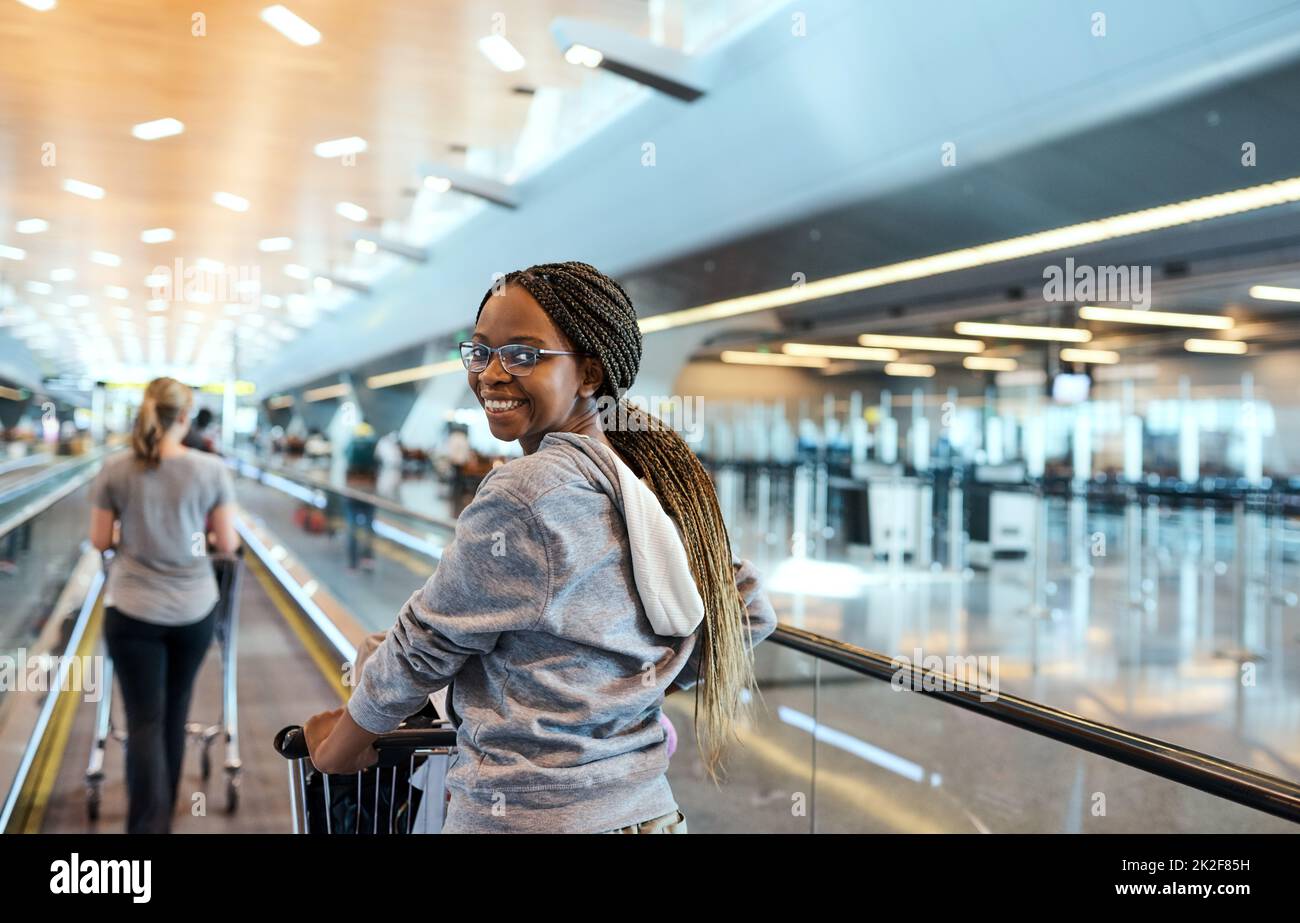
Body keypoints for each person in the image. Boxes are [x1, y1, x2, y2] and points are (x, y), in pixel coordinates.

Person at [304, 261, 778, 834]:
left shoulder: (526, 491)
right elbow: (746, 608)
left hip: (528, 816)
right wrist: (627, 694)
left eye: (524, 354)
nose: (492, 374)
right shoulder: (640, 480)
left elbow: (425, 643)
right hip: (650, 813)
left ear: (588, 374)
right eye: (480, 353)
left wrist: (341, 745)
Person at [88, 377, 239, 833]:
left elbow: (99, 540)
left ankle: (145, 826)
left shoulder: (115, 469)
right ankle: (165, 819)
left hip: (132, 611)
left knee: (144, 722)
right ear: (185, 417)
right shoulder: (211, 470)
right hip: (193, 611)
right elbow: (226, 542)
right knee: (175, 715)